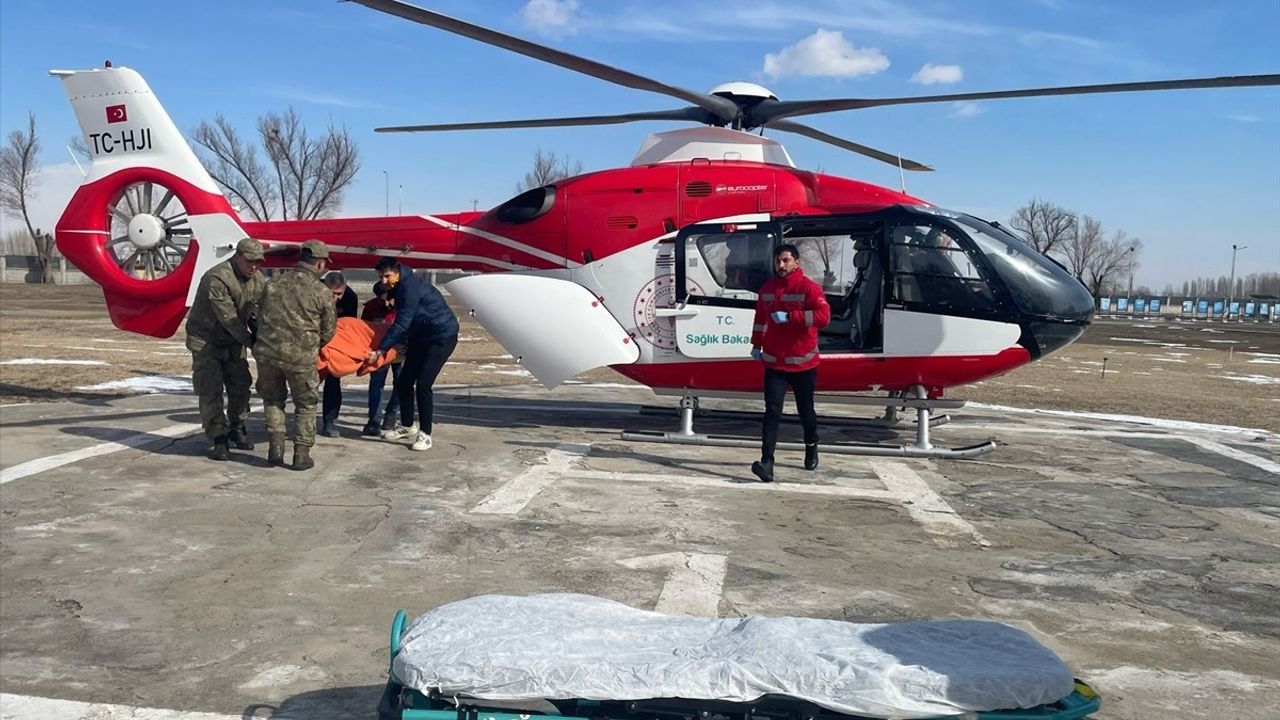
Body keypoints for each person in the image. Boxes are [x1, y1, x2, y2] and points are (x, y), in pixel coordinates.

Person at [748, 243, 831, 482]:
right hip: (774, 363)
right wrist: (756, 344)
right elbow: (760, 319)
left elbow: (824, 317)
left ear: (796, 262)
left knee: (806, 412)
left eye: (785, 260)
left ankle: (811, 444)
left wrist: (791, 317)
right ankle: (767, 462)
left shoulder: (809, 288)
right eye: (778, 261)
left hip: (803, 364)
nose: (781, 265)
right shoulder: (767, 289)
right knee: (771, 412)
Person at [253, 239, 337, 471]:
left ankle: (276, 449)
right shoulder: (321, 291)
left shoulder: (272, 284)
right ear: (320, 264)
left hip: (268, 354)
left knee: (272, 399)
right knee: (306, 404)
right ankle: (301, 454)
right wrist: (310, 345)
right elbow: (329, 329)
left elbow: (259, 318)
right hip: (300, 357)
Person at [184, 237, 266, 461]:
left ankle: (237, 428)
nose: (254, 266)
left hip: (232, 341)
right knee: (210, 389)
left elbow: (259, 313)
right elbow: (229, 319)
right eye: (249, 261)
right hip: (207, 340)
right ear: (237, 256)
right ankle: (218, 437)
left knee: (240, 386)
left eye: (258, 262)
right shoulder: (218, 278)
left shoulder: (257, 280)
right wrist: (254, 344)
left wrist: (264, 336)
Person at [365, 258, 459, 452]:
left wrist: (382, 349)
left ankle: (425, 434)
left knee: (423, 384)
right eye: (380, 276)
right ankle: (407, 426)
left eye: (387, 276)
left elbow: (402, 323)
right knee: (403, 382)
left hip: (440, 336)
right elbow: (382, 291)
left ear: (397, 272)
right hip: (420, 335)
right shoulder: (398, 283)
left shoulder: (409, 288)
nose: (383, 280)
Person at [319, 271, 359, 437]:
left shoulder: (350, 297)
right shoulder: (315, 292)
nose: (336, 298)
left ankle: (329, 421)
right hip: (313, 341)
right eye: (332, 294)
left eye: (339, 293)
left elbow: (348, 325)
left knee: (334, 381)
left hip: (335, 342)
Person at [360, 281, 401, 436]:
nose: (385, 303)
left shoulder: (403, 306)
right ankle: (374, 420)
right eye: (381, 299)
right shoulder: (370, 307)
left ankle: (391, 414)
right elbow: (364, 330)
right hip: (379, 352)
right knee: (377, 384)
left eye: (387, 299)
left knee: (401, 382)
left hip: (399, 350)